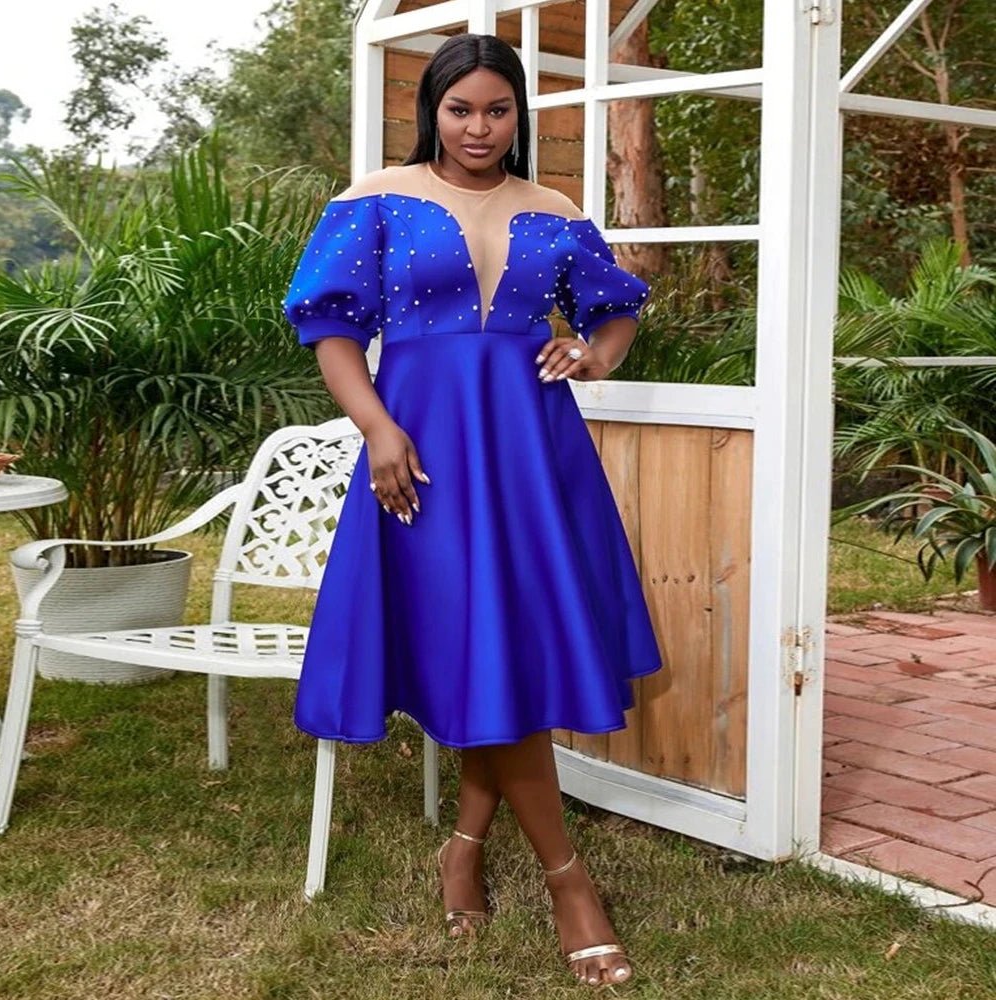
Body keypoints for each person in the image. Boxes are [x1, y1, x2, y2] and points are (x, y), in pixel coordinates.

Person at [283, 32, 663, 989]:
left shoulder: (557, 210)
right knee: (477, 639)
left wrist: (598, 355)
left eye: (498, 110)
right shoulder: (376, 198)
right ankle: (569, 881)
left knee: (511, 647)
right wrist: (377, 430)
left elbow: (616, 308)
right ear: (433, 112)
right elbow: (331, 330)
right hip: (427, 453)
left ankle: (464, 847)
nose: (480, 128)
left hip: (535, 454)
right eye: (462, 110)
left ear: (518, 115)